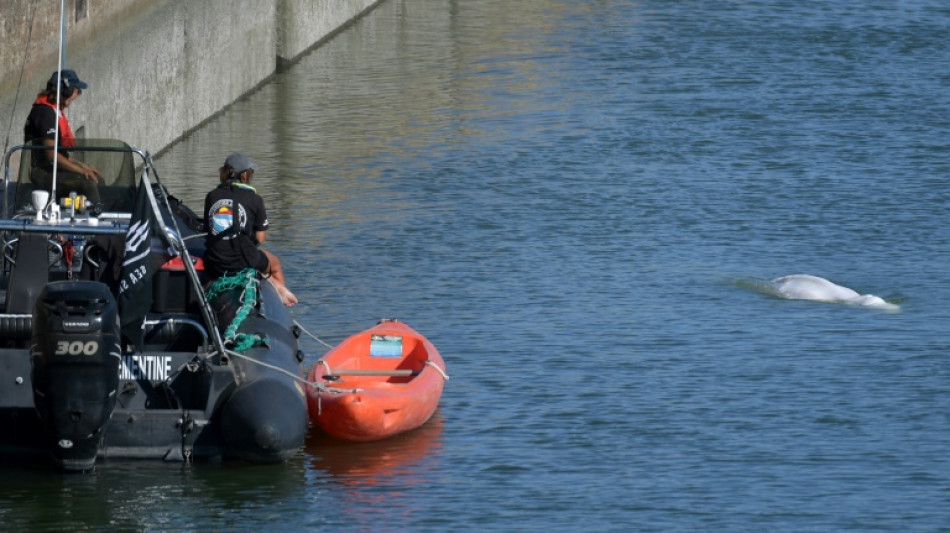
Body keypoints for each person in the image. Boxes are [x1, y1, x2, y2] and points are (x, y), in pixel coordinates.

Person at [204, 153, 297, 307]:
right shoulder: (255, 199)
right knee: (274, 263)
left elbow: (209, 230)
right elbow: (260, 238)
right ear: (246, 175)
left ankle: (273, 285)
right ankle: (276, 302)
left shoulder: (211, 196)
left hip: (215, 261)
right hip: (244, 260)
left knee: (255, 261)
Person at [23, 69, 101, 205]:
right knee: (88, 183)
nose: (78, 94)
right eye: (77, 91)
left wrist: (83, 166)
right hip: (42, 172)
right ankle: (97, 216)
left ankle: (104, 212)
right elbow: (51, 154)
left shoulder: (53, 110)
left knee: (95, 177)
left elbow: (61, 154)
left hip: (52, 168)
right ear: (67, 91)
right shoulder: (46, 113)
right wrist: (81, 171)